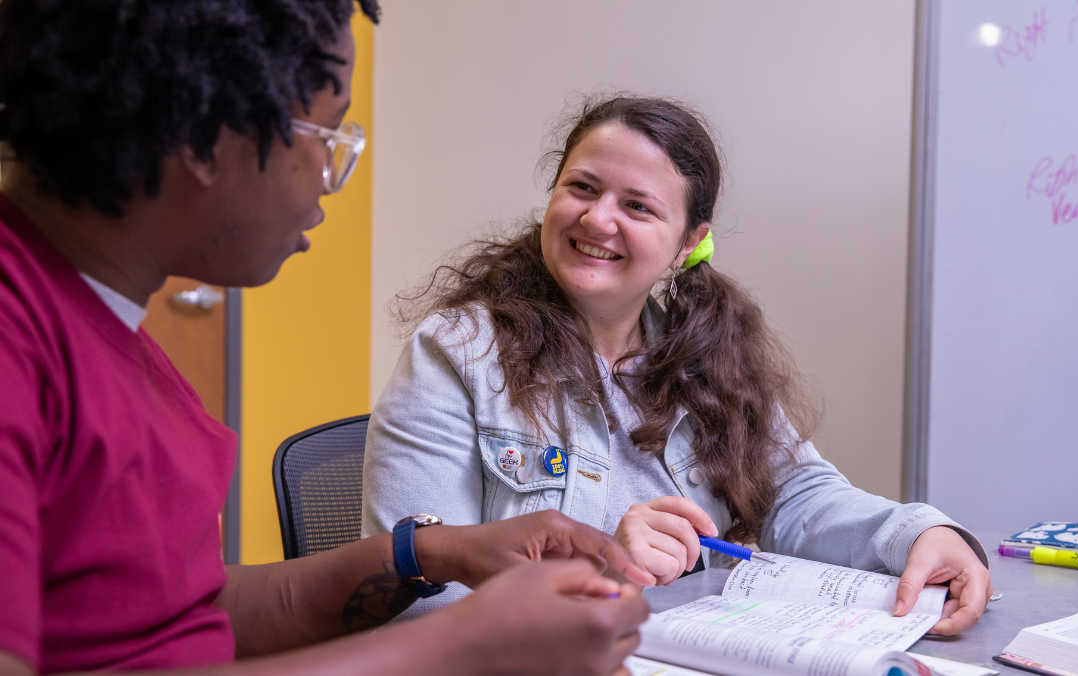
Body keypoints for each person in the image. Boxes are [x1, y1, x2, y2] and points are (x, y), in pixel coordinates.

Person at [0, 2, 655, 675]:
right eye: (325, 131)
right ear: (202, 132)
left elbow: (183, 615)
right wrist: (461, 645)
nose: (331, 176)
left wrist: (429, 554)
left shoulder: (96, 324)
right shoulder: (16, 343)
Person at [363, 95, 994, 634]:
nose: (598, 218)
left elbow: (796, 495)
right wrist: (603, 569)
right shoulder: (457, 352)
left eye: (638, 206)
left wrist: (918, 535)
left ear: (688, 243)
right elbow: (423, 602)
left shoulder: (705, 356)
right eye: (582, 188)